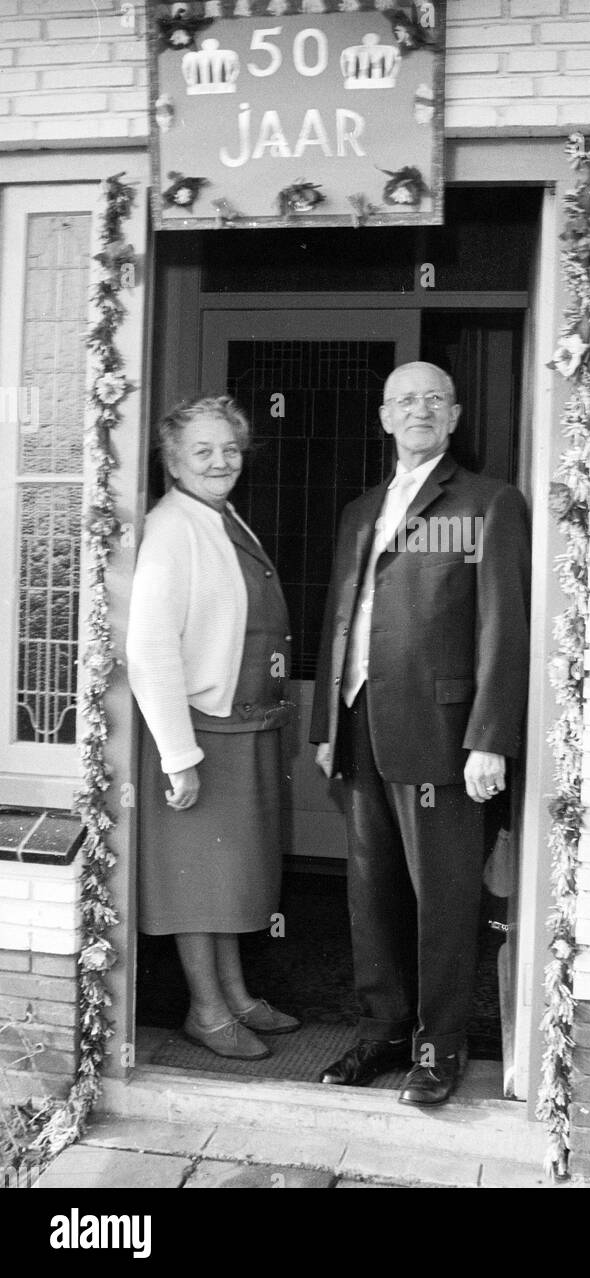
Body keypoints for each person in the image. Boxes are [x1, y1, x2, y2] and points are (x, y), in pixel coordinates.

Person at [310, 361, 530, 1106]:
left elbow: (505, 626)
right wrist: (324, 725)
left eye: (435, 399)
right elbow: (341, 621)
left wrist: (489, 738)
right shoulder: (359, 510)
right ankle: (381, 1032)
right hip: (357, 723)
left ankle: (439, 1048)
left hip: (441, 735)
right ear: (383, 417)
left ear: (456, 414)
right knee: (369, 892)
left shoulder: (489, 503)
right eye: (406, 400)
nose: (420, 410)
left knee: (441, 899)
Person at [127, 395, 299, 1061]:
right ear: (173, 461)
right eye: (202, 450)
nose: (220, 460)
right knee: (197, 882)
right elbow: (150, 648)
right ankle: (205, 1009)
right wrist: (177, 754)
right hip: (196, 736)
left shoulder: (221, 517)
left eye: (228, 448)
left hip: (237, 730)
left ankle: (236, 994)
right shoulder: (171, 527)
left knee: (227, 878)